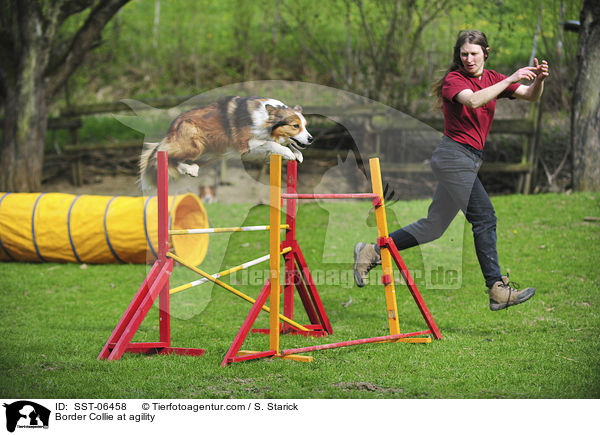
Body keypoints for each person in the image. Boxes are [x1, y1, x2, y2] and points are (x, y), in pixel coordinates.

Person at [353, 30, 549, 311]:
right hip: (453, 158)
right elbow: (473, 100)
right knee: (484, 217)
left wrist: (539, 81)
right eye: (464, 54)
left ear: (486, 52)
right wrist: (510, 78)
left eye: (474, 53)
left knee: (433, 227)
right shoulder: (454, 80)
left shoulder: (493, 79)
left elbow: (530, 96)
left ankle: (371, 252)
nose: (468, 59)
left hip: (466, 160)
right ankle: (496, 288)